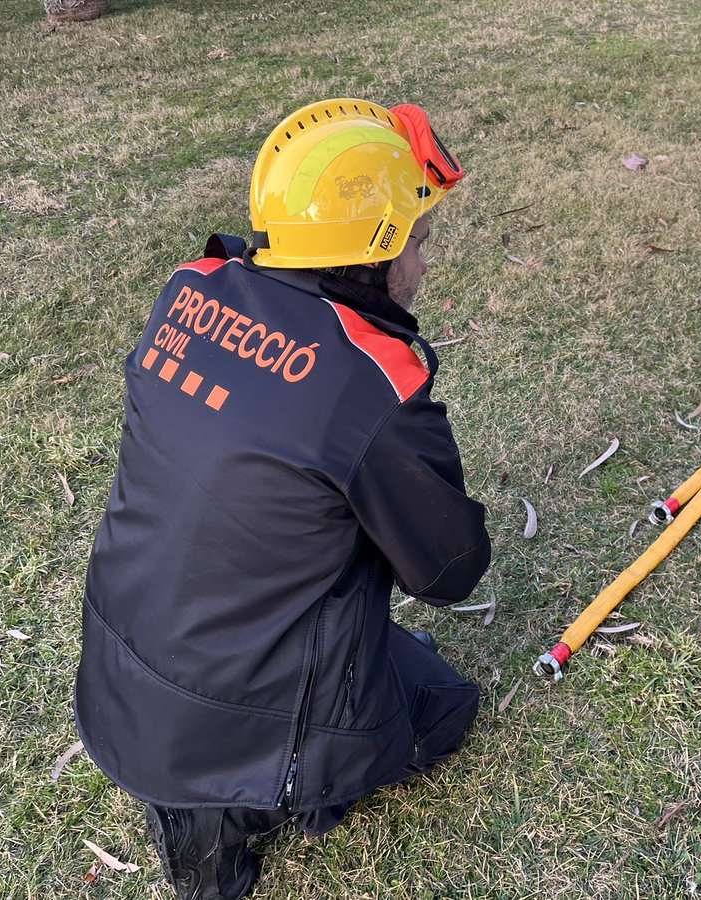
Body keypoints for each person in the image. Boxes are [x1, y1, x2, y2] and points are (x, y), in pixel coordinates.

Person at [74, 98, 491, 900]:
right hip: (229, 717)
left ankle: (208, 781)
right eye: (420, 242)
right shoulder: (368, 383)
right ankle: (226, 813)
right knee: (446, 706)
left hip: (117, 670)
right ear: (375, 251)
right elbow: (449, 573)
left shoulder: (190, 290)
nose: (426, 267)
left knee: (392, 654)